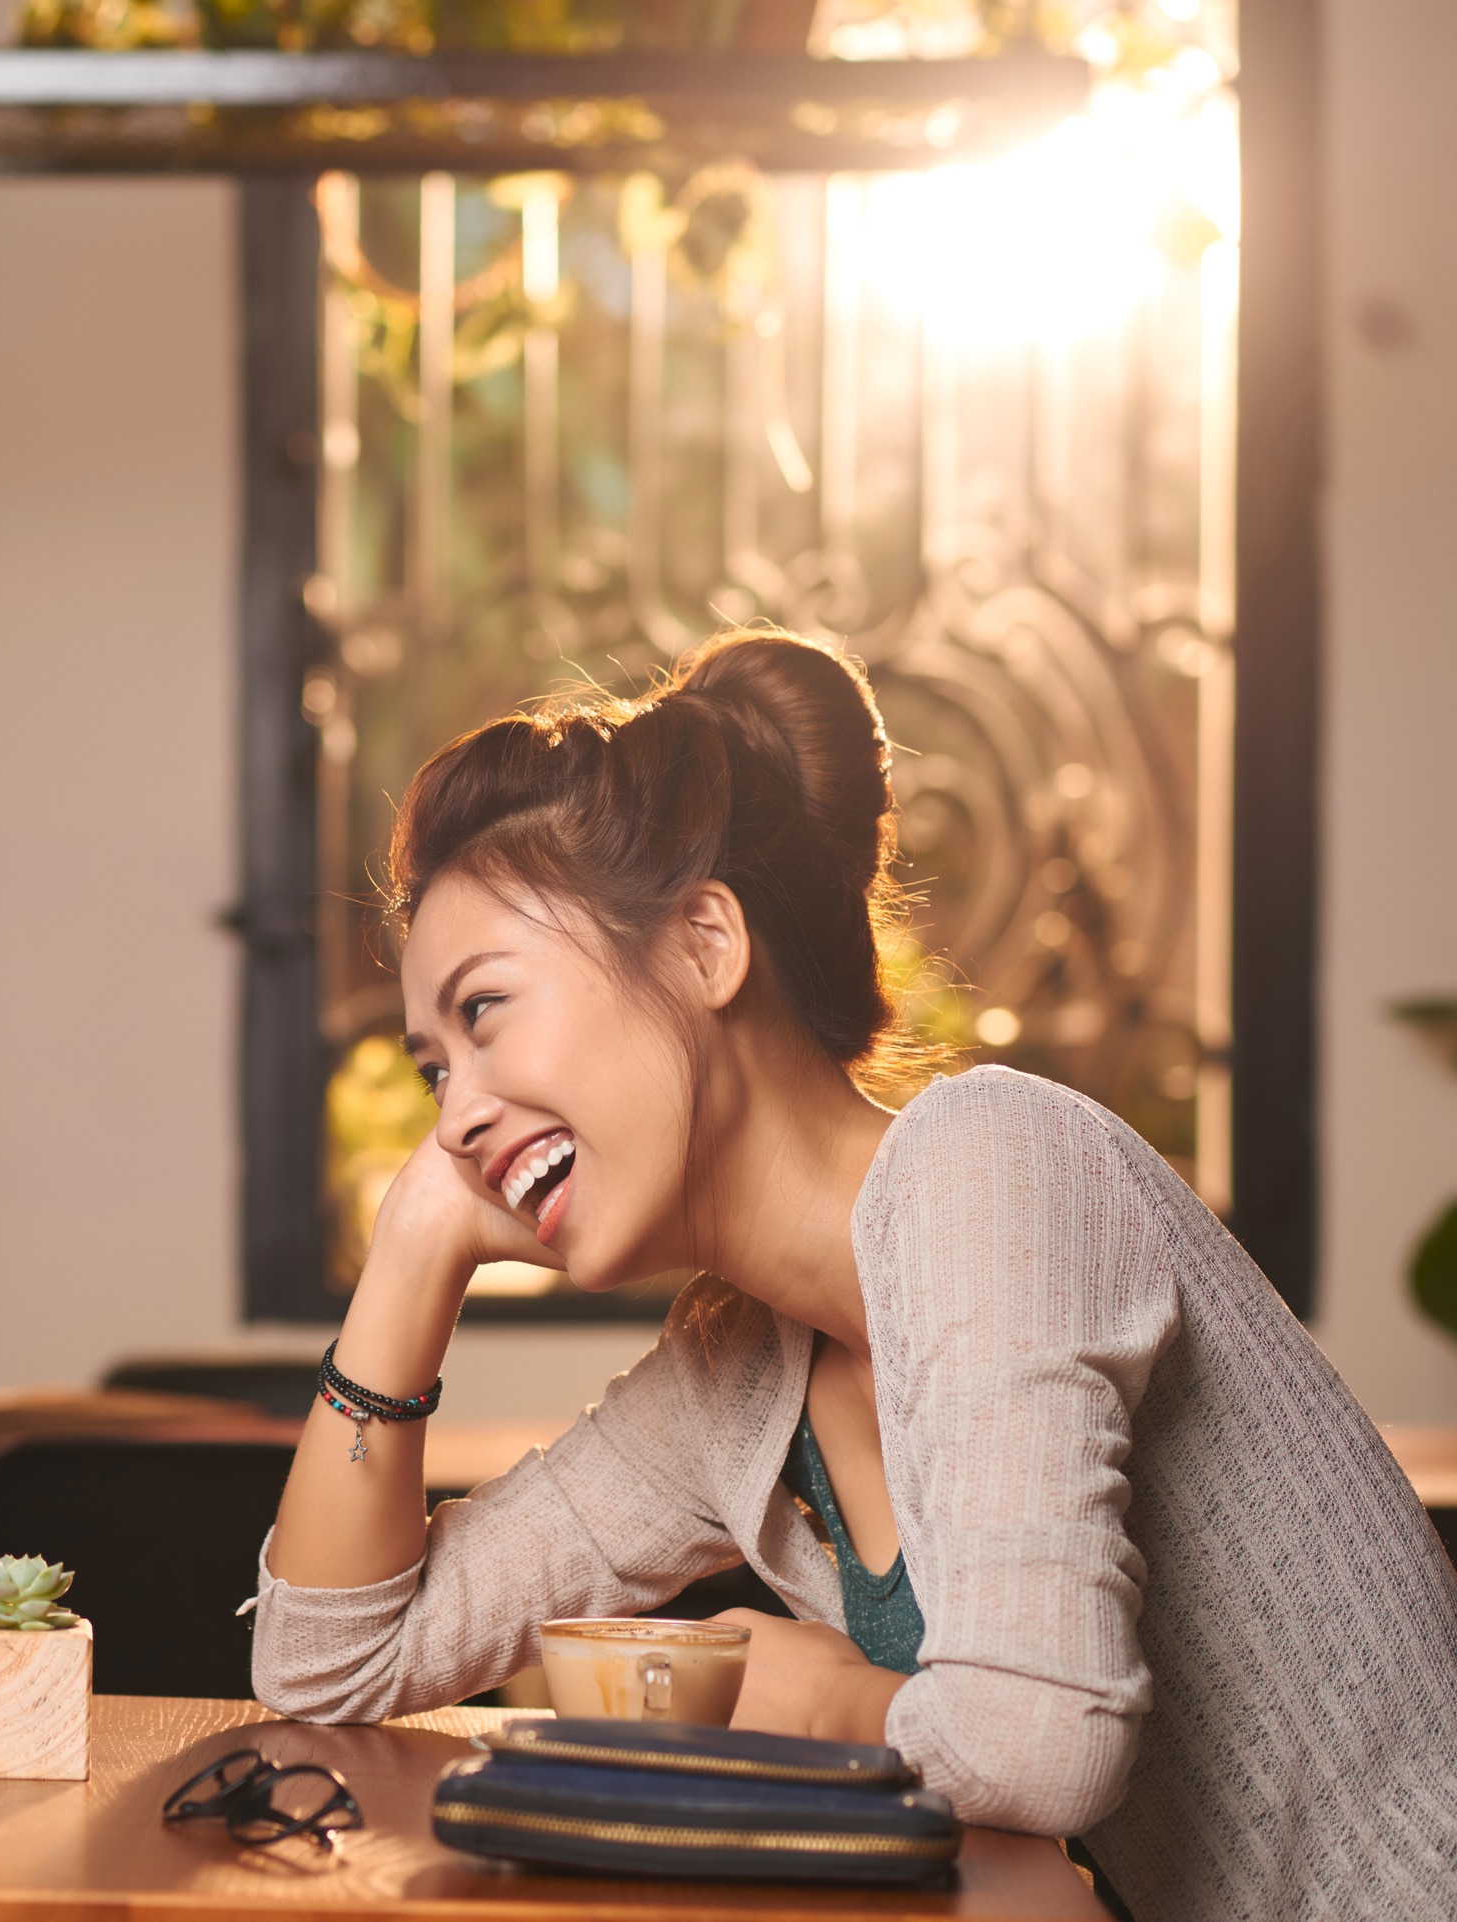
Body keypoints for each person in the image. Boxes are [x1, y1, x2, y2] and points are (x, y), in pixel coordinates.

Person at [252, 628, 1457, 1919]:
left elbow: (1043, 1737)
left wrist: (824, 1697)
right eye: (436, 1069)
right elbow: (330, 1668)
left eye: (484, 1012)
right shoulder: (735, 1374)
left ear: (708, 942)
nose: (457, 1116)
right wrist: (416, 1251)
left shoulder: (990, 1164)